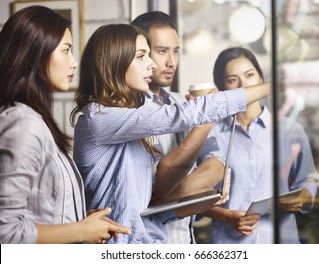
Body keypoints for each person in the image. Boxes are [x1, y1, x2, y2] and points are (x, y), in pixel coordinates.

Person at [70, 23, 272, 244]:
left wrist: (197, 203)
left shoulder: (130, 121)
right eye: (141, 56)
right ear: (115, 63)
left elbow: (140, 214)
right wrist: (272, 87)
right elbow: (184, 115)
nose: (152, 64)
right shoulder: (98, 118)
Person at [0, 6, 131, 244]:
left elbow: (39, 210)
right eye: (66, 50)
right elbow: (5, 232)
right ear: (36, 53)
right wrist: (80, 231)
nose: (73, 63)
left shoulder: (35, 119)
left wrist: (81, 222)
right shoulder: (23, 123)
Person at [199, 47, 319, 243]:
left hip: (280, 241)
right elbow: (194, 199)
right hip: (229, 245)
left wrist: (303, 195)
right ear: (222, 88)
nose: (244, 85)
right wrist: (226, 216)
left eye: (249, 75)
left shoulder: (290, 130)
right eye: (232, 80)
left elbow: (308, 177)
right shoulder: (210, 134)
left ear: (261, 78)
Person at [131, 11, 224, 244]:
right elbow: (154, 190)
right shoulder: (130, 111)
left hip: (186, 240)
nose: (171, 62)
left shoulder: (181, 102)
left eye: (175, 51)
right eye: (162, 51)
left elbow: (217, 162)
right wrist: (195, 190)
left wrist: (171, 195)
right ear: (139, 51)